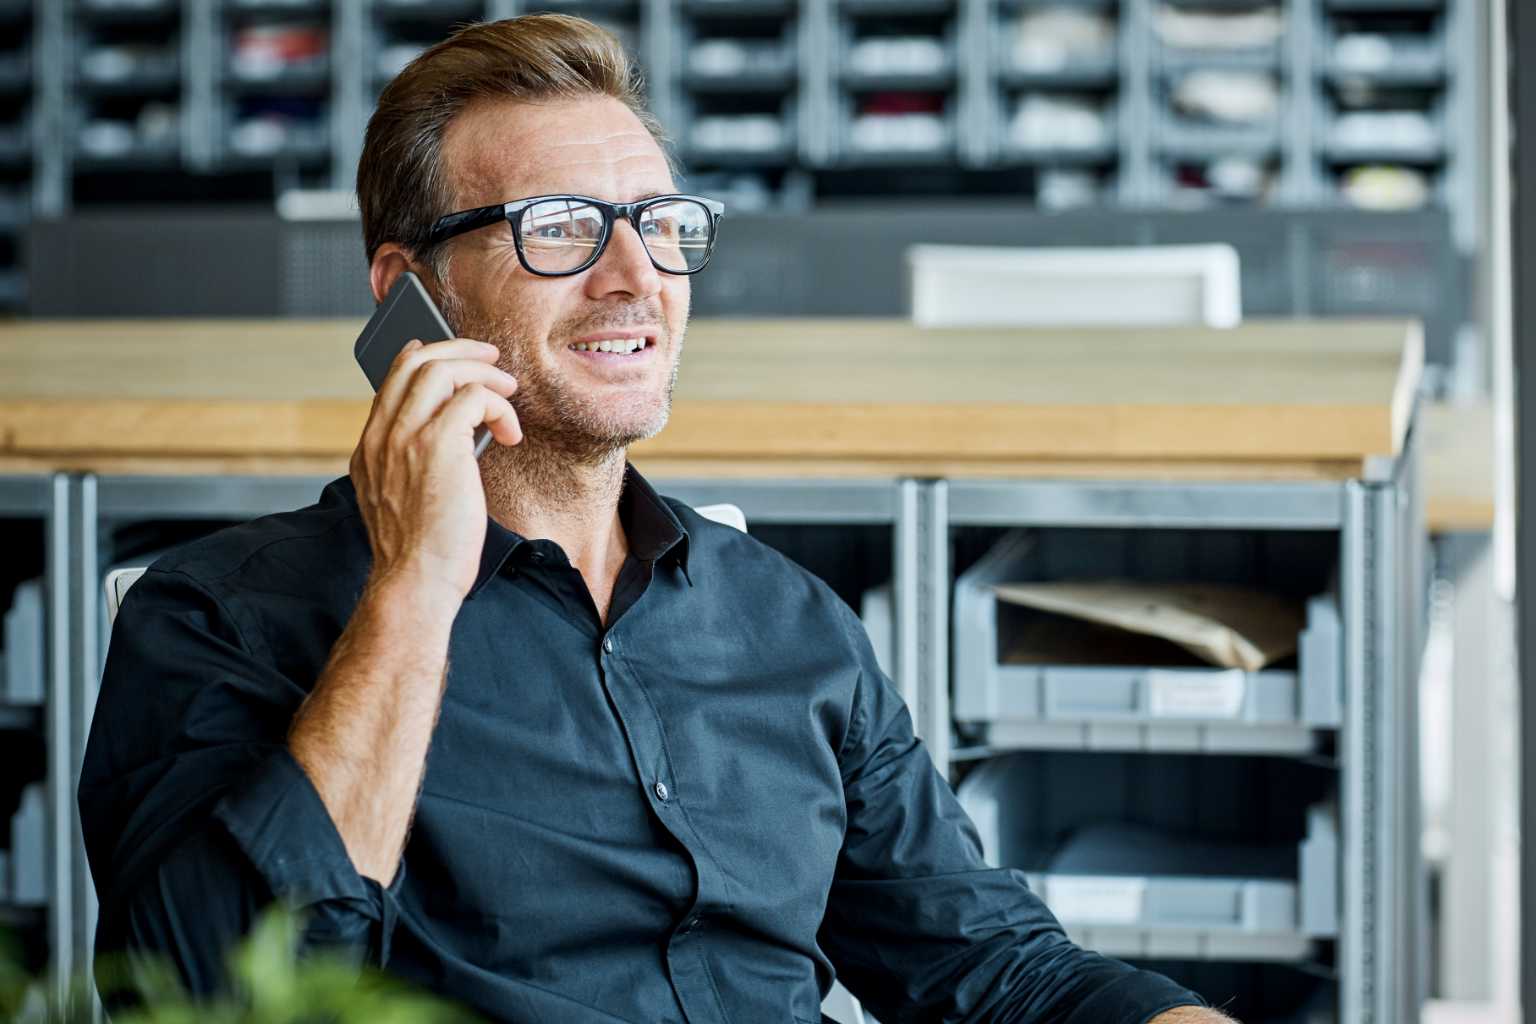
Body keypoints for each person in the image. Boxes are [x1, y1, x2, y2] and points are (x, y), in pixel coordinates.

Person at [80, 14, 1232, 1023]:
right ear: (409, 294)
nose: (635, 274)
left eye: (659, 221)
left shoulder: (787, 622)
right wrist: (415, 591)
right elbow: (215, 997)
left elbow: (992, 972)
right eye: (560, 226)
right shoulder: (224, 619)